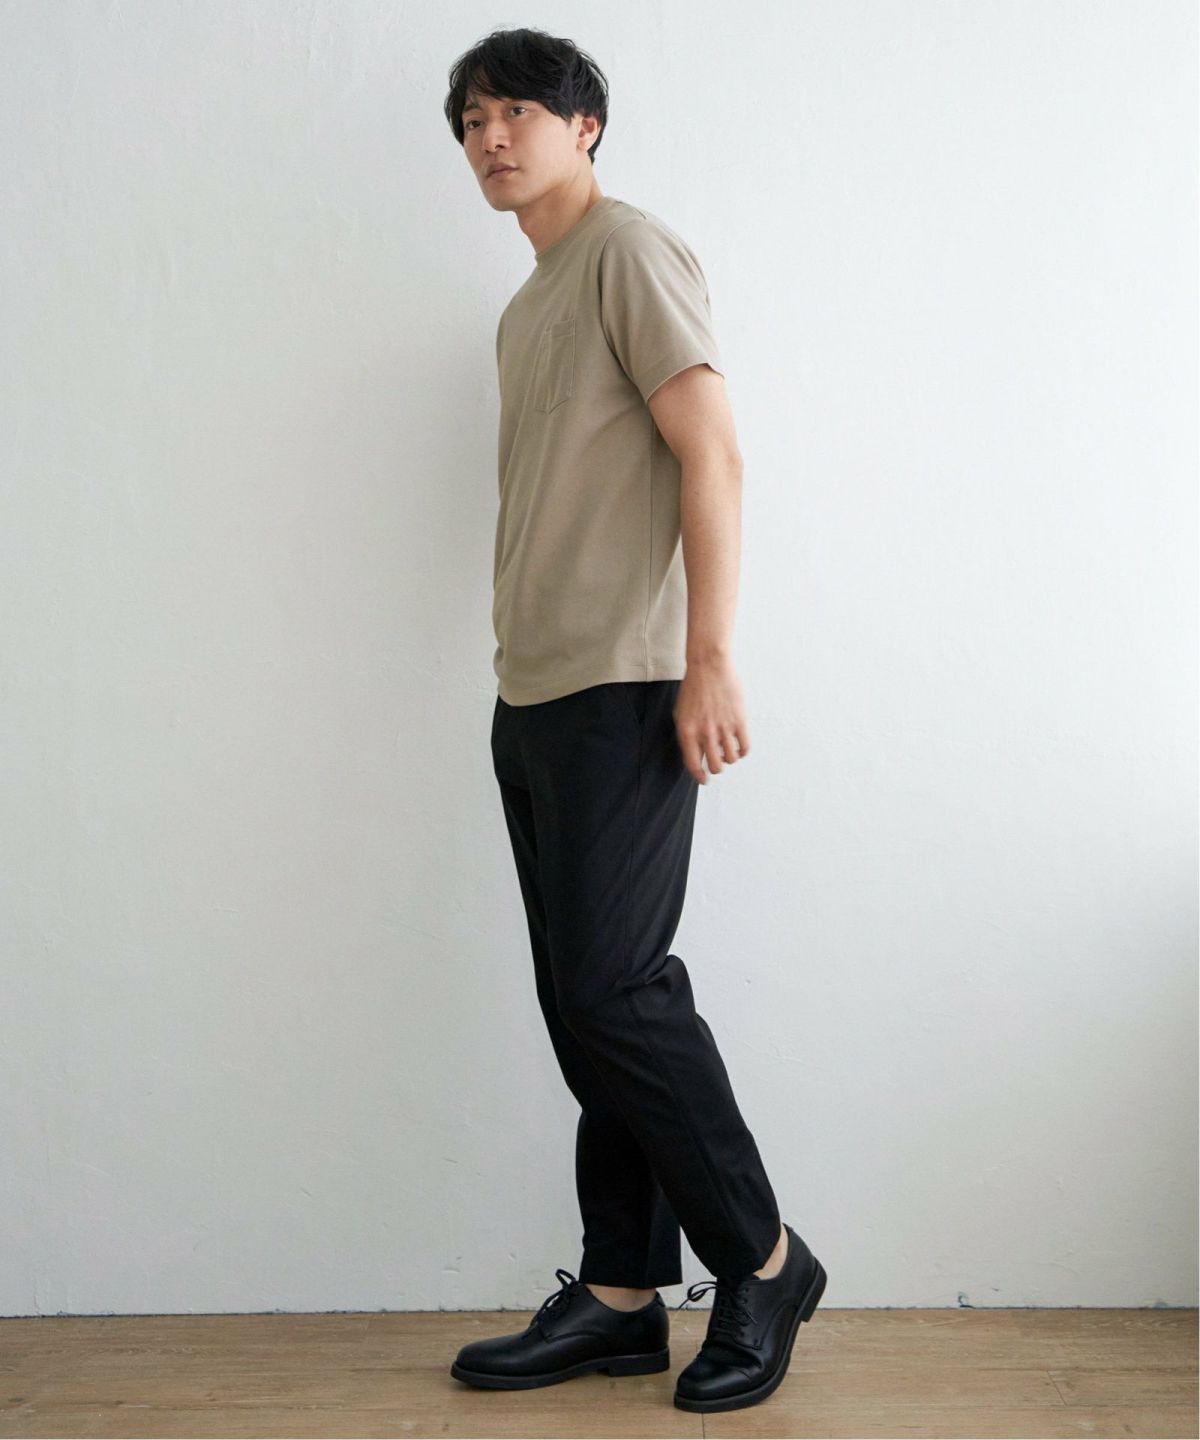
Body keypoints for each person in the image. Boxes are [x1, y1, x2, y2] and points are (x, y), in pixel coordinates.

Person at [441, 26, 827, 1415]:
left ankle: (763, 1259)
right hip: (534, 691)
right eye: (471, 121)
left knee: (616, 990)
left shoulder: (628, 252)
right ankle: (618, 1294)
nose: (492, 137)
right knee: (583, 1006)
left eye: (517, 111)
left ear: (584, 125)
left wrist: (709, 655)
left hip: (628, 681)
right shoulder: (526, 304)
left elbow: (711, 449)